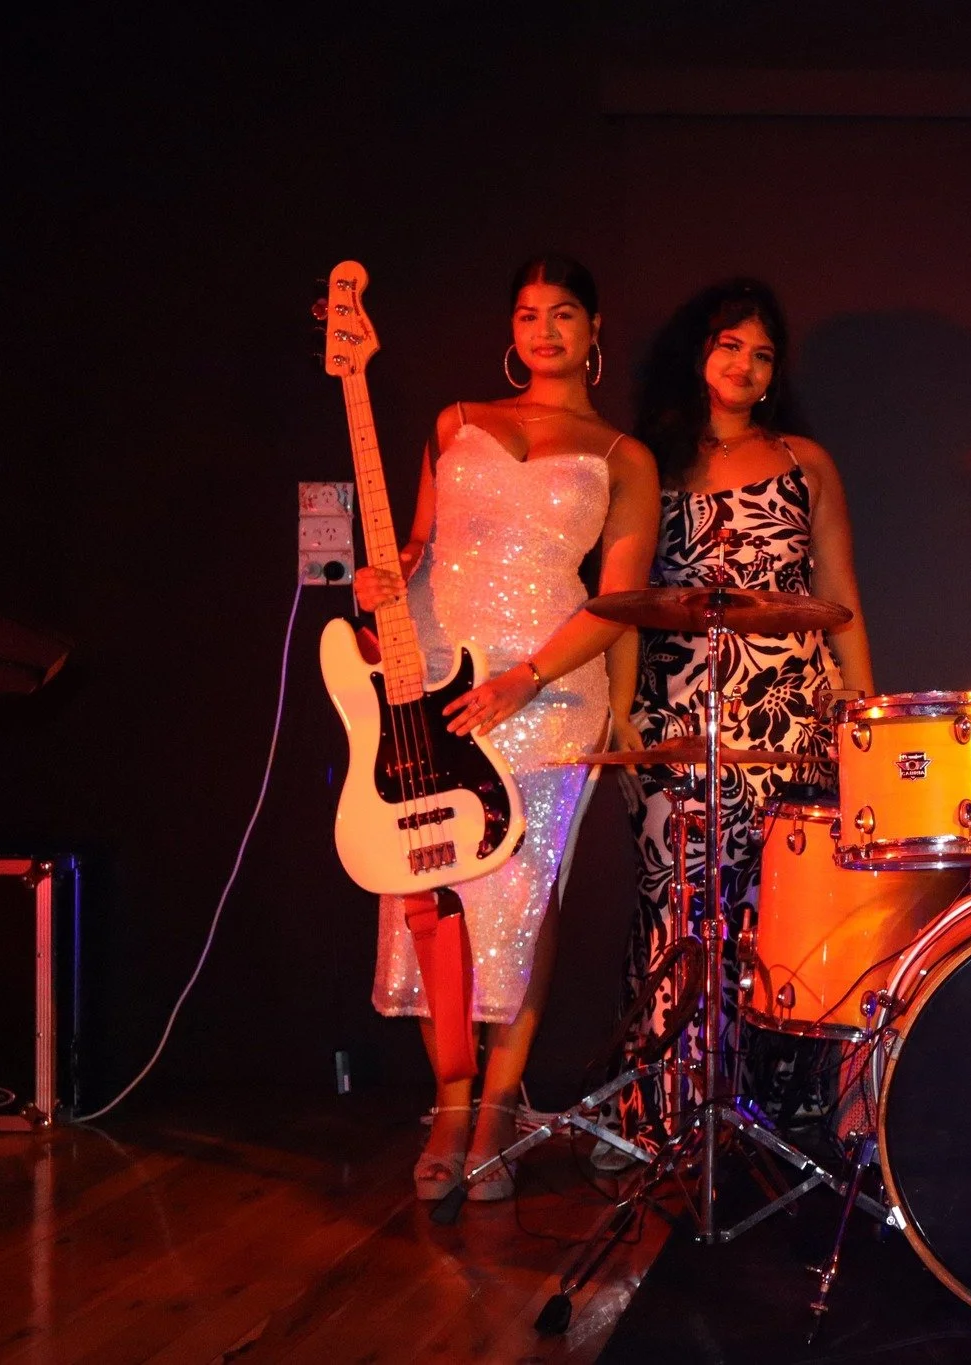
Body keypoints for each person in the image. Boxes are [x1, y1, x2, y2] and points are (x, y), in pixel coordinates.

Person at [355, 256, 661, 1201]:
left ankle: (491, 1118)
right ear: (512, 328)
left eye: (564, 313)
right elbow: (417, 545)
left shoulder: (624, 456)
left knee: (521, 912)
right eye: (529, 313)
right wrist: (385, 579)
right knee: (427, 897)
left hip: (550, 696)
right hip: (434, 688)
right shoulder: (456, 423)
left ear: (594, 330)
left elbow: (619, 601)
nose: (545, 330)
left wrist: (528, 678)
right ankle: (451, 1106)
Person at [610, 278, 874, 1070]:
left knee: (780, 909)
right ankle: (666, 1106)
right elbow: (620, 596)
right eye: (731, 344)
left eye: (763, 354)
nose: (746, 364)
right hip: (675, 713)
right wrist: (621, 713)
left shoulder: (806, 461)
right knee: (679, 905)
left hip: (793, 715)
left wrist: (859, 708)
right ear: (698, 349)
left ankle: (774, 1114)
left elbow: (840, 593)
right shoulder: (645, 460)